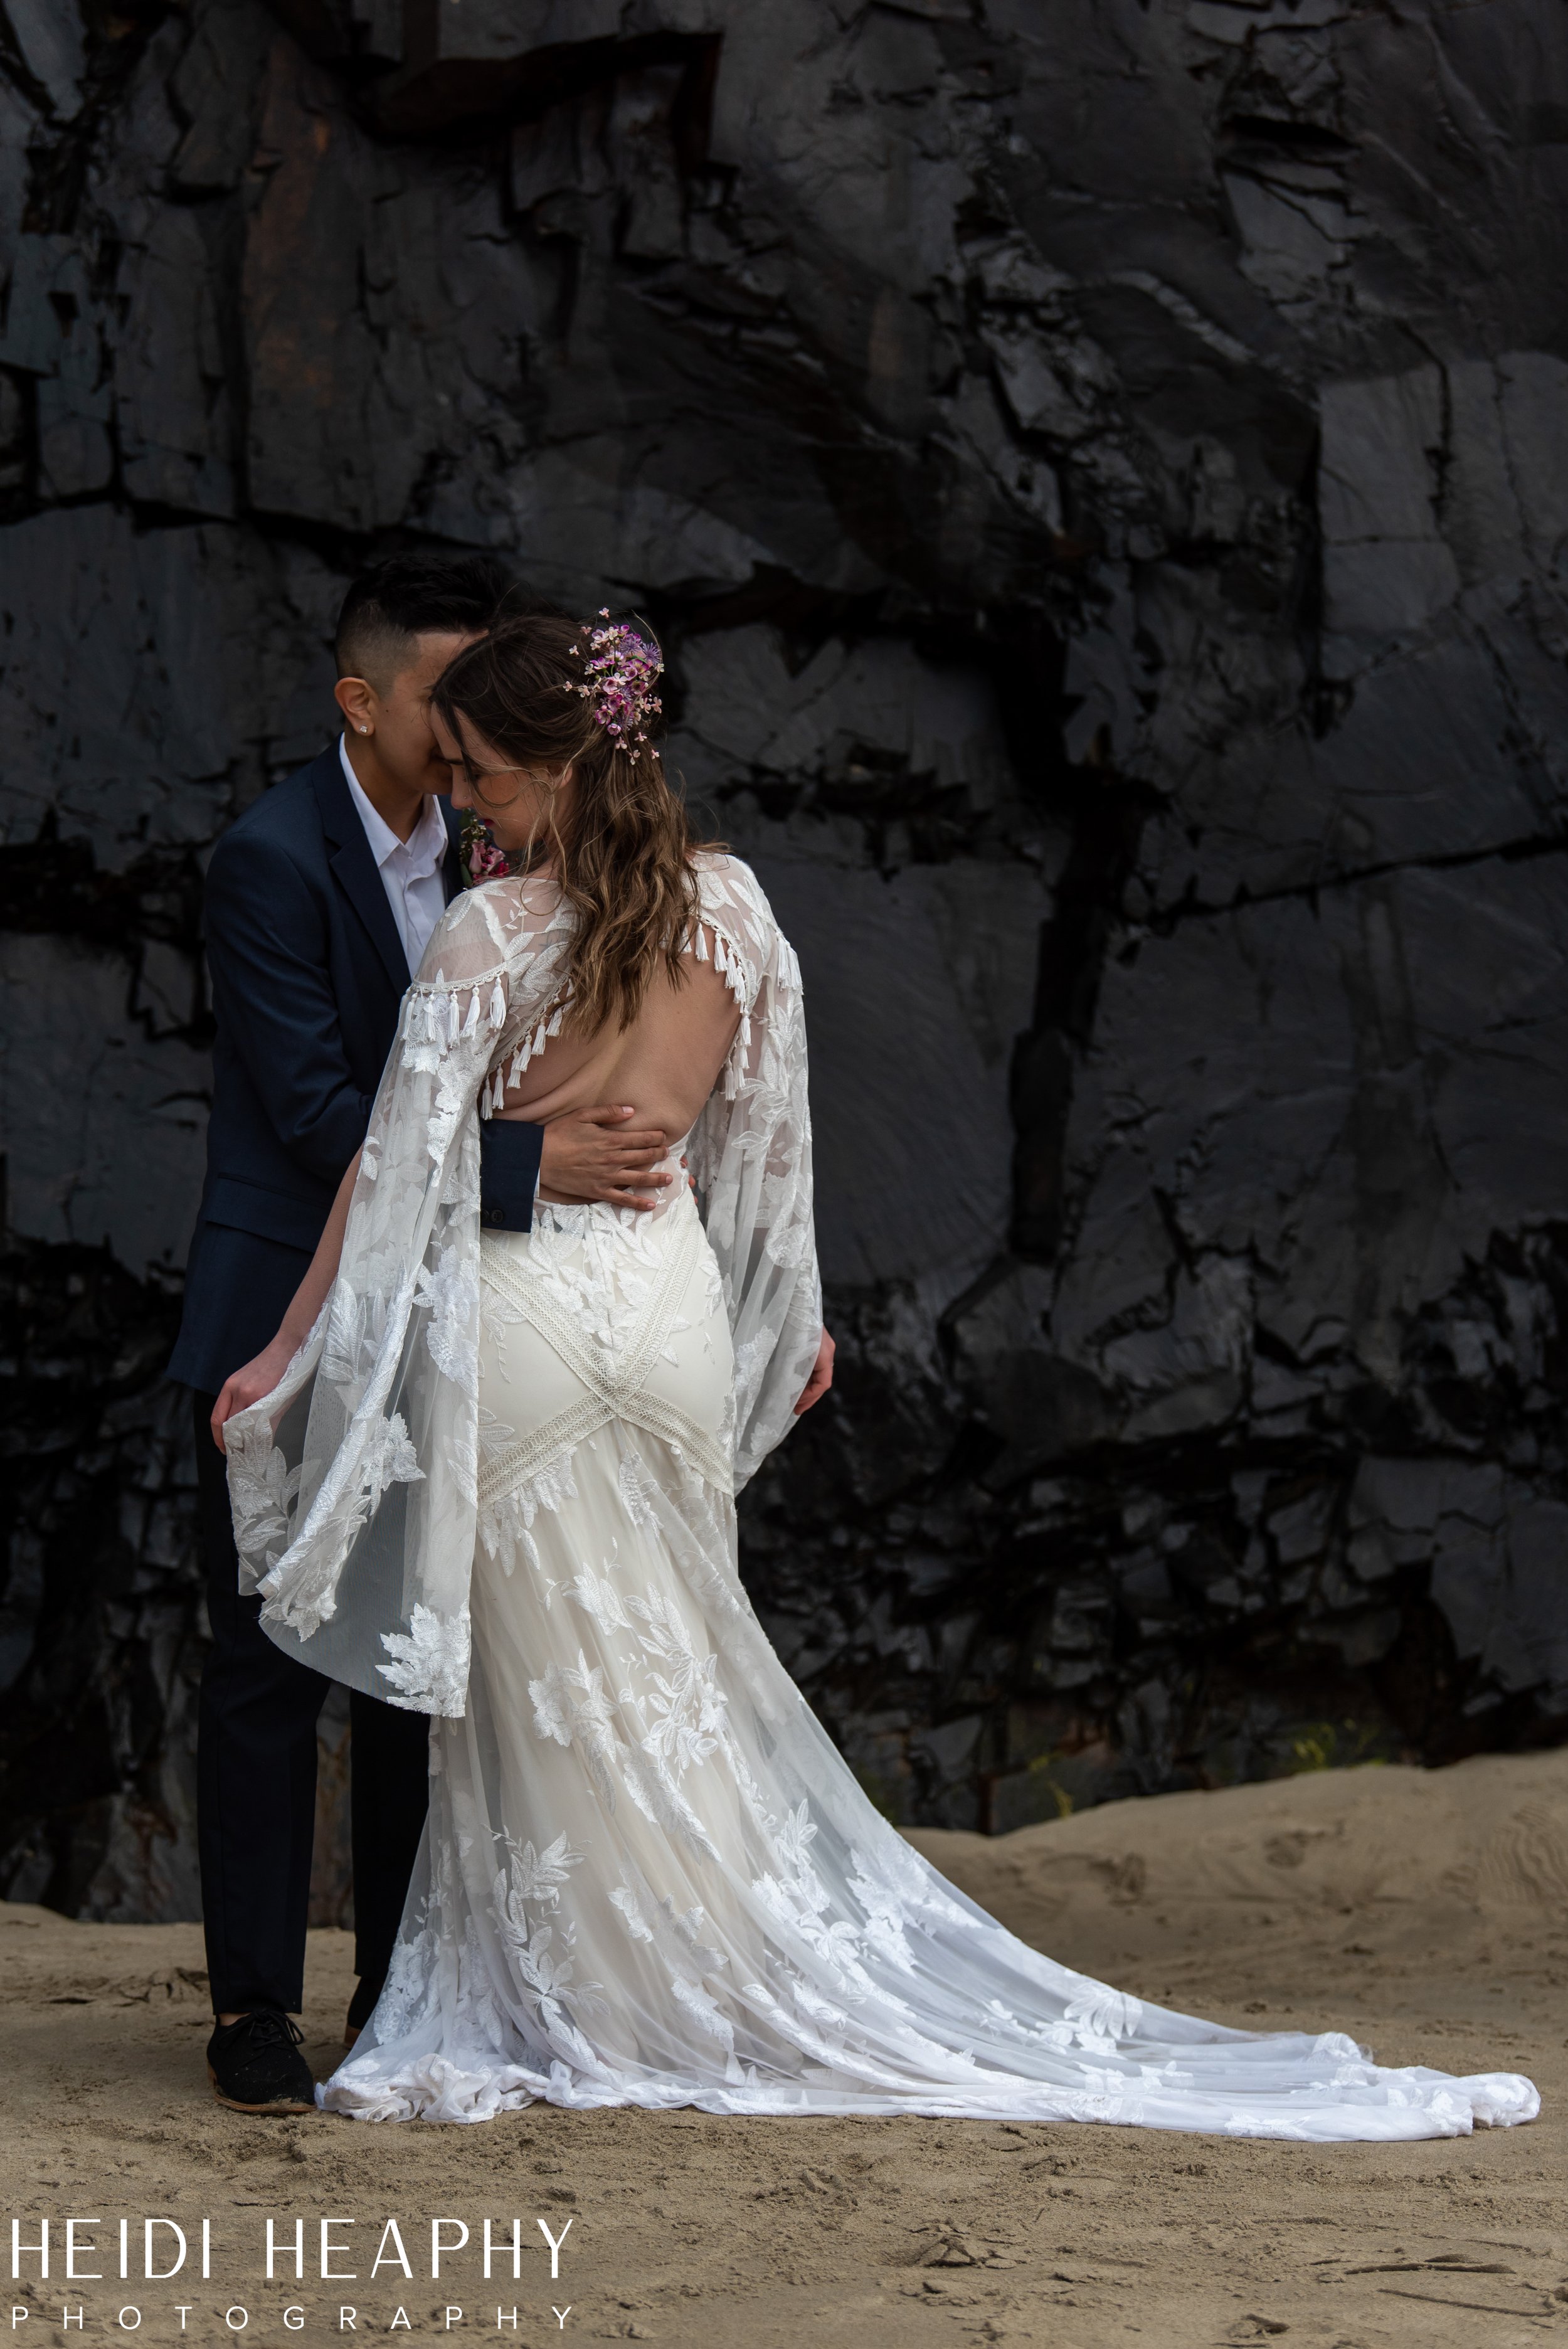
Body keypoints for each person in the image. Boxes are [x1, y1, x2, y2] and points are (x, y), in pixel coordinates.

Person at [215, 610, 1537, 2140]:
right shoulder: (735, 915)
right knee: (671, 1661)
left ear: (568, 769)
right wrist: (790, 1320)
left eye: (492, 776)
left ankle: (592, 2000)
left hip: (527, 1310)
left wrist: (288, 1349)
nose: (471, 806)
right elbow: (763, 1160)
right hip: (662, 1316)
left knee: (545, 1697)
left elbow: (393, 1173)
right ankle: (680, 1987)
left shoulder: (487, 936)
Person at [171, 560, 682, 2114]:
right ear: (364, 702)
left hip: (462, 1317)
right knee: (264, 1671)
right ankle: (254, 2008)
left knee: (413, 1672)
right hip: (290, 1300)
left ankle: (398, 1994)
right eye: (442, 709)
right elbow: (329, 1113)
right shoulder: (265, 860)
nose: (464, 741)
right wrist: (539, 1167)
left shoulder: (507, 850)